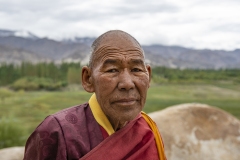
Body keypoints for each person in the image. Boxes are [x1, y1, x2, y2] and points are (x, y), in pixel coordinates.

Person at [23, 30, 167, 160]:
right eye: (112, 70)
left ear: (149, 76)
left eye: (136, 69)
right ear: (88, 79)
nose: (127, 83)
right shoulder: (57, 133)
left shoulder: (147, 129)